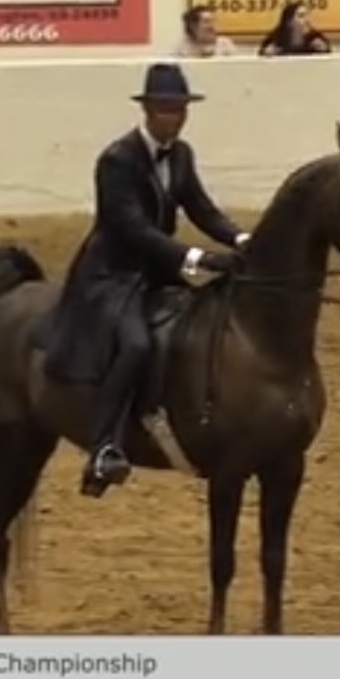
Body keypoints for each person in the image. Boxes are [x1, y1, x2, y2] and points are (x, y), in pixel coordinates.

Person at [41, 63, 248, 498]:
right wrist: (196, 256)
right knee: (135, 343)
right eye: (167, 109)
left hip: (154, 268)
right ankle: (104, 445)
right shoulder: (117, 161)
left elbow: (201, 209)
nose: (175, 117)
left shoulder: (182, 155)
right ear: (150, 110)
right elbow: (132, 229)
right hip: (112, 273)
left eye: (181, 109)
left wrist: (242, 238)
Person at [258, 0, 332, 56]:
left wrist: (323, 49)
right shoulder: (277, 36)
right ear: (289, 20)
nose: (306, 20)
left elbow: (327, 54)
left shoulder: (314, 36)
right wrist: (267, 52)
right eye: (301, 16)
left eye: (307, 15)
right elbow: (262, 53)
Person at [173, 4, 237, 58]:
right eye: (207, 22)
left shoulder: (225, 45)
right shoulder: (181, 48)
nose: (211, 26)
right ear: (193, 26)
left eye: (213, 21)